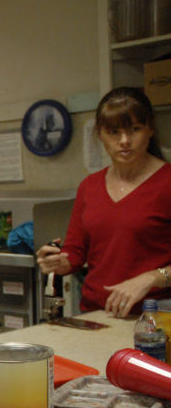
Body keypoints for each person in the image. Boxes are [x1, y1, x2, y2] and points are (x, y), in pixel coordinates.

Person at [37, 87, 171, 316]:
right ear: (100, 134)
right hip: (96, 314)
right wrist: (59, 263)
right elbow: (75, 252)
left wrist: (152, 278)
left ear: (150, 129)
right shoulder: (90, 186)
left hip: (155, 319)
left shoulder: (166, 182)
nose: (125, 141)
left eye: (135, 130)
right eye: (114, 132)